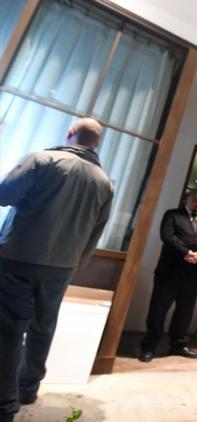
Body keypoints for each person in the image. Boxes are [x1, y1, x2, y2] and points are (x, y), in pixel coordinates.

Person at [0, 117, 113, 422]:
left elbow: (3, 194)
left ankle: (4, 404)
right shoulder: (104, 182)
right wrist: (78, 258)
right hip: (63, 265)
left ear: (70, 133)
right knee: (43, 326)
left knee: (10, 328)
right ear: (97, 142)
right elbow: (96, 231)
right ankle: (27, 388)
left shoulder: (42, 159)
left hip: (19, 256)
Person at [139, 190, 197, 362]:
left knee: (185, 311)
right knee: (158, 309)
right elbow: (167, 236)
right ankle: (149, 346)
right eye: (195, 201)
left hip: (192, 275)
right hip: (169, 272)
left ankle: (178, 345)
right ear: (186, 200)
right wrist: (186, 252)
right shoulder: (172, 215)